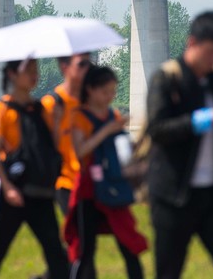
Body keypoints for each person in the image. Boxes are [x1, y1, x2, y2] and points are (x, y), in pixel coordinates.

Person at [145, 11, 213, 279]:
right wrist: (202, 121)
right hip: (172, 194)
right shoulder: (167, 78)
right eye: (210, 52)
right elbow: (157, 130)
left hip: (212, 193)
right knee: (168, 272)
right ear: (192, 43)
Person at [0, 59, 69, 279]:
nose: (34, 74)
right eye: (29, 70)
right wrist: (7, 188)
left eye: (36, 69)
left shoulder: (40, 109)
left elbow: (50, 145)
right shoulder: (2, 109)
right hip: (12, 193)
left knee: (56, 255)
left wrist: (56, 122)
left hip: (40, 192)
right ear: (12, 74)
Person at [65, 65, 147, 279]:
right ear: (90, 89)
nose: (110, 97)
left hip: (113, 187)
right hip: (88, 191)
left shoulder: (113, 114)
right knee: (85, 249)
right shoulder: (79, 117)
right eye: (105, 92)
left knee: (129, 244)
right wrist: (106, 130)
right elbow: (80, 150)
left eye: (113, 91)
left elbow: (122, 153)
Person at [41, 53, 90, 215]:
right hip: (65, 182)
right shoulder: (51, 104)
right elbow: (42, 147)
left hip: (91, 181)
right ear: (65, 67)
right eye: (81, 64)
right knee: (77, 234)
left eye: (89, 63)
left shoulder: (90, 102)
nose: (87, 69)